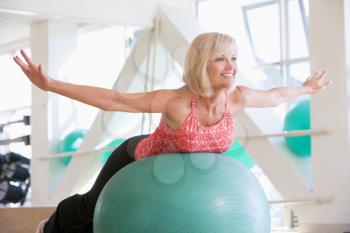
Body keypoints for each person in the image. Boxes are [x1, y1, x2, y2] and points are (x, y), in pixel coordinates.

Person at [13, 32, 331, 233]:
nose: (231, 66)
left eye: (233, 58)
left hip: (182, 178)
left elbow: (275, 95)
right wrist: (51, 84)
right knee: (91, 204)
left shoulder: (237, 99)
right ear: (202, 64)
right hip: (137, 156)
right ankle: (49, 227)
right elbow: (113, 100)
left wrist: (304, 89)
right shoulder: (178, 104)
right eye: (220, 59)